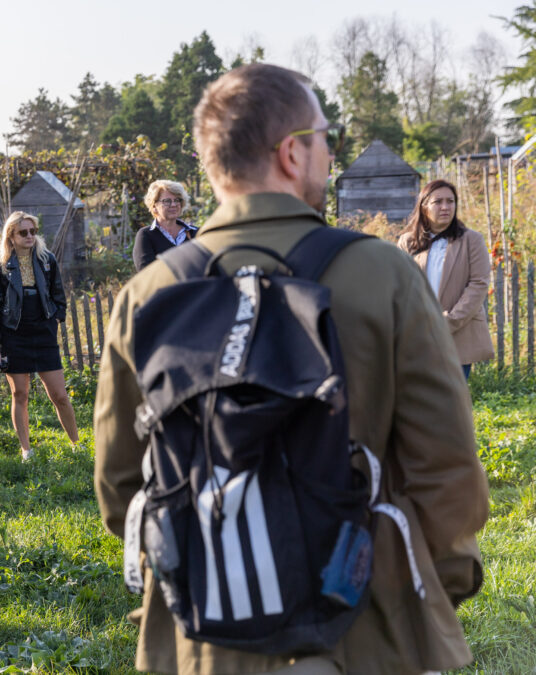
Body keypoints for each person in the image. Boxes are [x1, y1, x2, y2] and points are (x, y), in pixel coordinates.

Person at [94, 63, 489, 674]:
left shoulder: (147, 295)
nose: (330, 153)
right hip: (367, 623)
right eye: (325, 137)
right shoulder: (384, 274)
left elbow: (123, 487)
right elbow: (446, 467)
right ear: (291, 152)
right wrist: (432, 586)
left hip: (209, 630)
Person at [0, 212, 77, 461]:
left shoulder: (47, 259)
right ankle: (26, 450)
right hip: (14, 334)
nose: (30, 236)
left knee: (59, 394)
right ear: (11, 236)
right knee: (19, 394)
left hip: (43, 332)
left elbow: (59, 295)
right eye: (23, 232)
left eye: (33, 231)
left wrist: (56, 318)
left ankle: (76, 443)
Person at [398, 179, 494, 379]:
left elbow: (479, 285)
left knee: (451, 405)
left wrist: (447, 322)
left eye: (450, 201)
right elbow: (400, 287)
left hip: (458, 336)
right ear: (424, 206)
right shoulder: (407, 242)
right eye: (438, 202)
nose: (445, 207)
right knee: (419, 403)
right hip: (419, 336)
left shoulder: (472, 240)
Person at [132, 179, 197, 271]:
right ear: (154, 206)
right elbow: (147, 273)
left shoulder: (195, 232)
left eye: (177, 200)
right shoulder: (146, 235)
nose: (174, 204)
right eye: (167, 201)